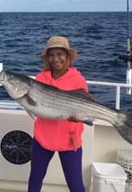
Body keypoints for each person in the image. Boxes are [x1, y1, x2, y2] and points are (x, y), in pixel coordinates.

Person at [28, 36, 88, 192]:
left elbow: (85, 104)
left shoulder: (78, 80)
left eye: (60, 54)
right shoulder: (41, 78)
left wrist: (79, 116)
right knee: (35, 179)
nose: (56, 59)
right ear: (47, 58)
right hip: (43, 138)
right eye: (52, 55)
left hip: (69, 139)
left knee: (75, 185)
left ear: (68, 57)